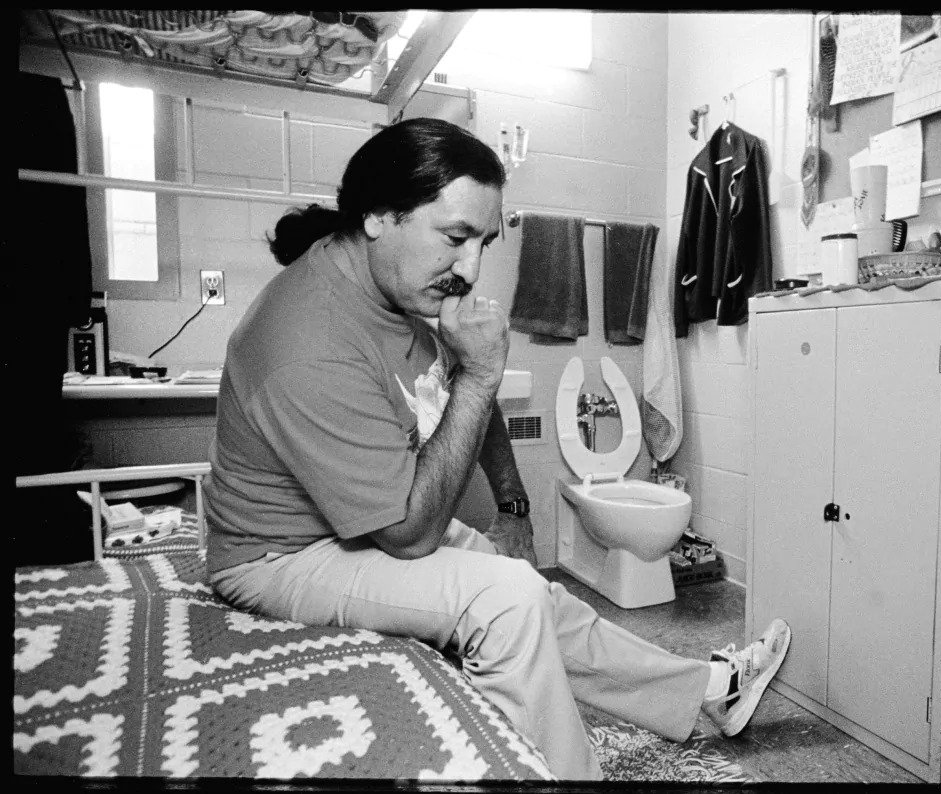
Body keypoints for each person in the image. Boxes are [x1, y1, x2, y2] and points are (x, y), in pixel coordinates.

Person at [203, 117, 791, 781]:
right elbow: (407, 535)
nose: (470, 269)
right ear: (377, 215)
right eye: (455, 237)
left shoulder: (391, 285)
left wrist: (511, 499)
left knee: (536, 595)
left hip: (364, 520)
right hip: (280, 555)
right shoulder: (306, 341)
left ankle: (709, 693)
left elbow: (459, 404)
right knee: (506, 598)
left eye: (483, 241)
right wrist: (482, 372)